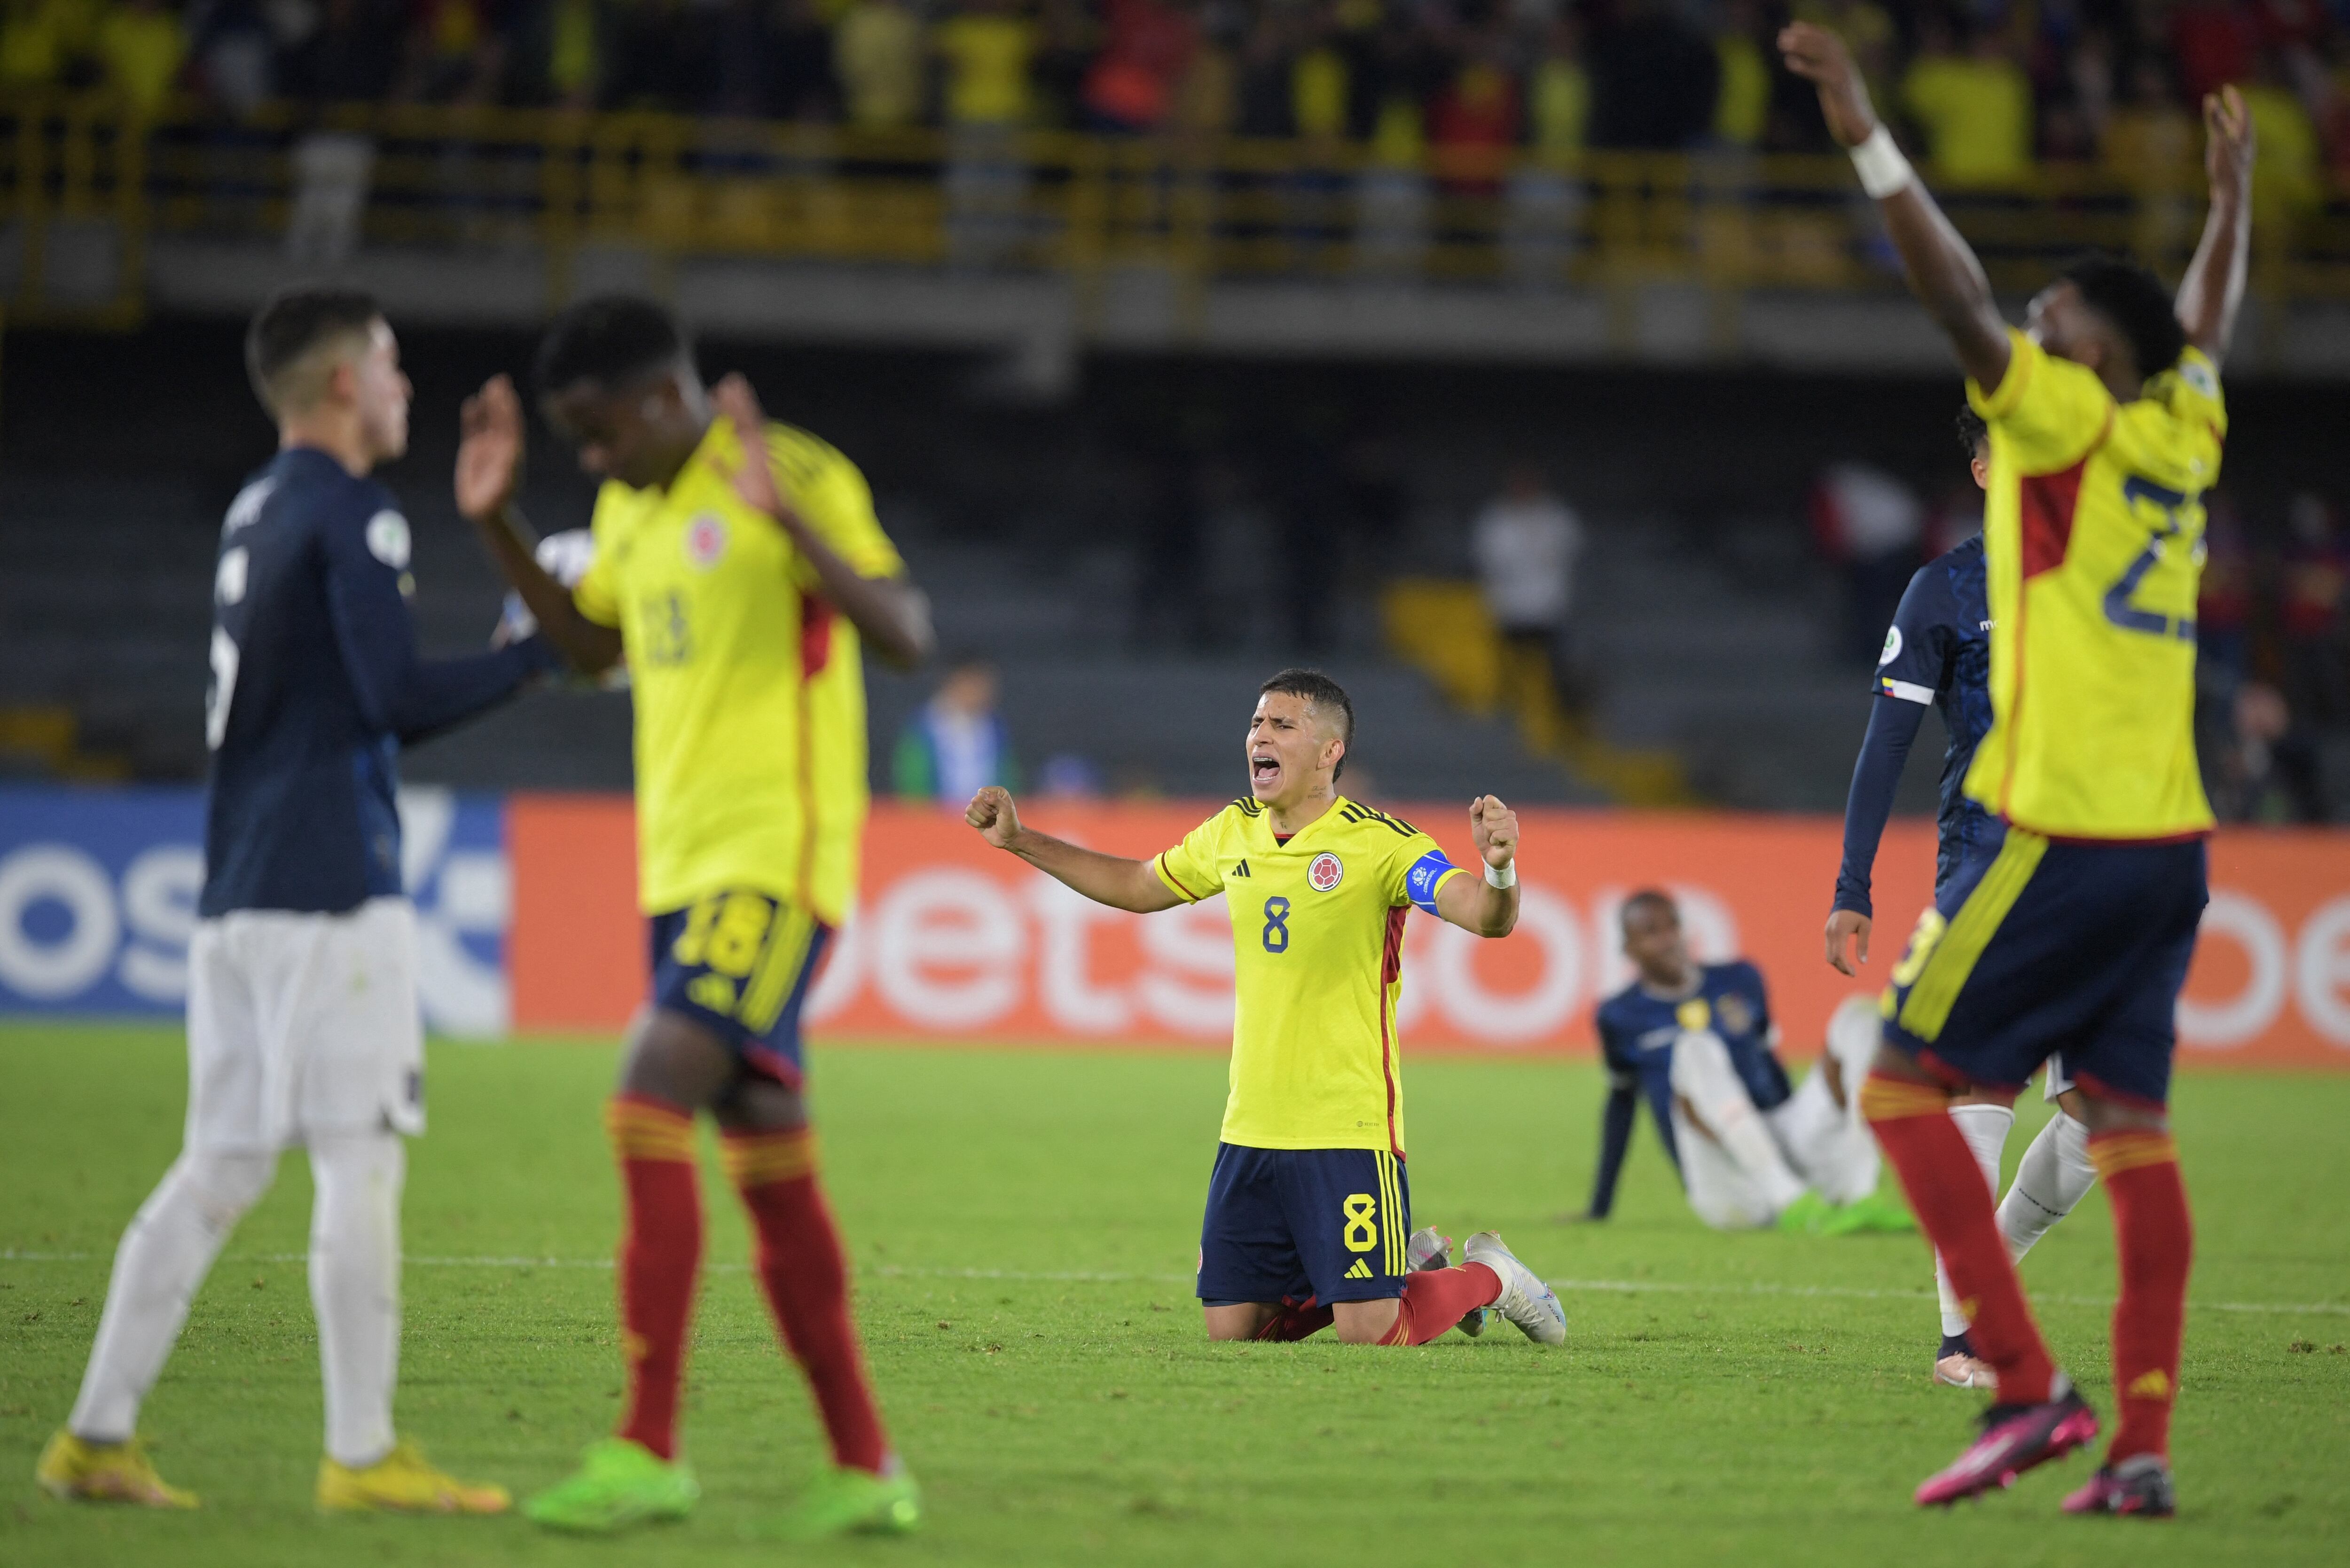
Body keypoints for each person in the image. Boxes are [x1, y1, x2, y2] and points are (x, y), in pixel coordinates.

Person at [1781, 22, 2254, 1517]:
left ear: (2091, 357)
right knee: (2129, 1133)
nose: (2029, 333)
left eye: (2055, 320)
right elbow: (2197, 328)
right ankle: (2139, 1450)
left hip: (2056, 833)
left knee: (1898, 1084)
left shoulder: (2062, 425)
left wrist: (1868, 139)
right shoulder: (2183, 429)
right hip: (2171, 847)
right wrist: (2231, 210)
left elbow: (1955, 297)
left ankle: (2022, 1381)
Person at [35, 286, 552, 1514]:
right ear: (342, 384)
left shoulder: (257, 508)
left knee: (220, 1163)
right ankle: (362, 1455)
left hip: (237, 889)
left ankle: (95, 1438)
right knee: (359, 1156)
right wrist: (540, 652)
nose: (406, 387)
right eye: (391, 364)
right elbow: (393, 700)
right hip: (329, 887)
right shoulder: (353, 511)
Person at [455, 294, 936, 1538]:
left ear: (668, 398)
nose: (592, 458)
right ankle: (865, 1465)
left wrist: (791, 525)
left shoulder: (794, 473)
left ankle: (646, 1446)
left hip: (773, 859)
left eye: (603, 431)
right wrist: (496, 521)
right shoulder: (632, 509)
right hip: (675, 873)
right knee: (770, 1160)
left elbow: (906, 634)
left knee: (646, 1095)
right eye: (575, 437)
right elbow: (591, 649)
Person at [964, 668, 1567, 1349]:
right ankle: (1385, 1272)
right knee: (1234, 1334)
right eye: (1256, 723)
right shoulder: (1233, 831)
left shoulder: (1381, 844)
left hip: (1347, 1126)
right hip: (1251, 1126)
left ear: (1330, 751)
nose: (1260, 736)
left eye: (1282, 725)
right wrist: (1020, 839)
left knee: (1371, 1333)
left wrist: (1498, 867)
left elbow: (1486, 917)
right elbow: (1136, 885)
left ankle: (1491, 1276)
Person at [1826, 408, 2099, 1393]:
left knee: (2102, 1116)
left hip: (2100, 866)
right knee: (1984, 1089)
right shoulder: (1942, 590)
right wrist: (1853, 885)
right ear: (1982, 472)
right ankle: (1963, 1340)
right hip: (1988, 863)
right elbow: (1886, 745)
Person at [1577, 892, 1906, 1234]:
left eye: (1672, 925)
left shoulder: (1740, 979)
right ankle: (1789, 1199)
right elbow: (1622, 1103)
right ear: (1628, 949)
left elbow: (1769, 1066)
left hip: (1789, 1151)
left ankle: (1861, 1193)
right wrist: (1601, 1205)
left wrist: (1795, 1134)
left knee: (1859, 1016)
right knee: (1693, 1047)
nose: (1668, 939)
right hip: (1728, 1185)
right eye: (1651, 932)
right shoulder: (1619, 1014)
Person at [1471, 463, 1586, 722]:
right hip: (1510, 608)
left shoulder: (1557, 516)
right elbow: (1492, 559)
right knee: (1510, 667)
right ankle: (1507, 715)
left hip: (1549, 608)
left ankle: (1561, 718)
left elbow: (1568, 550)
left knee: (1557, 671)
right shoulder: (1495, 519)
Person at [893, 655, 1018, 803]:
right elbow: (912, 781)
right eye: (972, 683)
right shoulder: (923, 727)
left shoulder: (996, 728)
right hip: (936, 815)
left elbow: (1008, 777)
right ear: (954, 682)